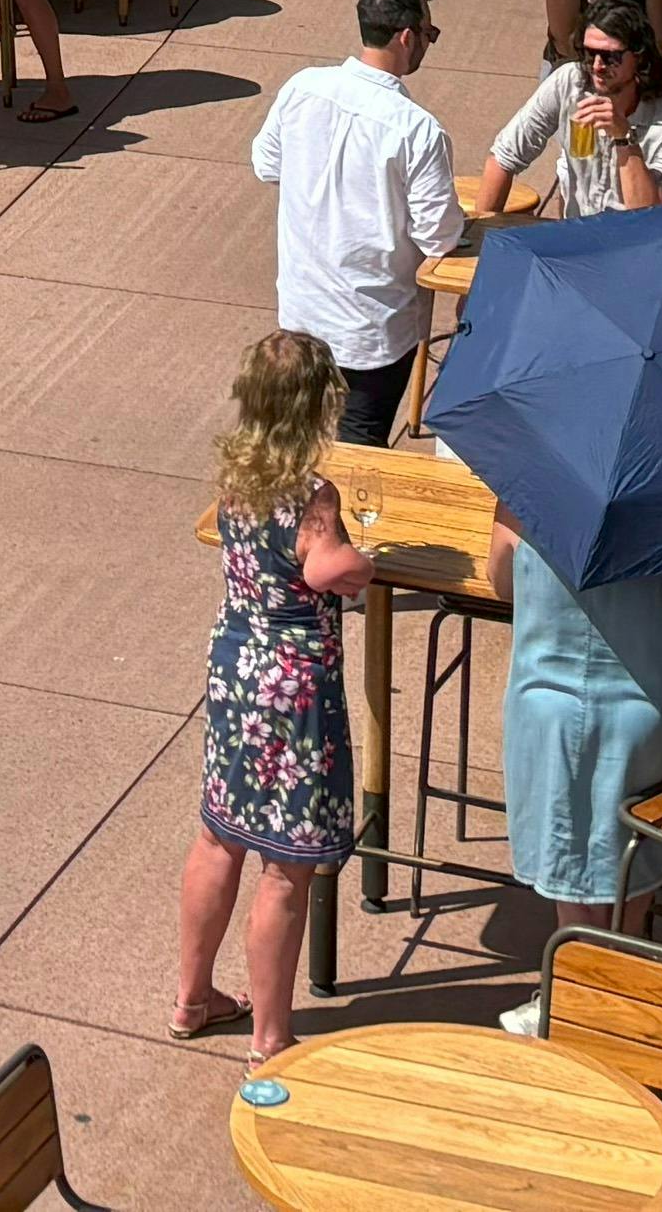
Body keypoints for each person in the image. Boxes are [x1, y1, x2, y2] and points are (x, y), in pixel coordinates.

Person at [172, 327, 369, 1060]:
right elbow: (328, 569)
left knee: (218, 835)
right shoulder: (312, 498)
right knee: (285, 867)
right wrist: (367, 560)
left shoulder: (237, 482)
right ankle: (270, 1034)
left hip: (235, 670)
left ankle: (194, 996)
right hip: (293, 691)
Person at [491, 479, 662, 983]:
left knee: (573, 899)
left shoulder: (526, 489)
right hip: (643, 710)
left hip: (550, 713)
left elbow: (502, 580)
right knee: (631, 879)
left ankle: (580, 1007)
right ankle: (614, 998)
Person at [250, 0, 462, 444]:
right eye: (430, 34)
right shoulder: (418, 130)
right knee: (361, 456)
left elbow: (266, 164)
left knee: (295, 447)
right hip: (374, 333)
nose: (428, 43)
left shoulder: (302, 87)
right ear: (407, 37)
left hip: (302, 317)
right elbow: (439, 237)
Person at [463, 9, 662, 223]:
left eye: (610, 56)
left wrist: (624, 139)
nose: (598, 66)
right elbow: (504, 157)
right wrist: (481, 239)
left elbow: (651, 220)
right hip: (578, 242)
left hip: (639, 251)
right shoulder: (569, 82)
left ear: (639, 57)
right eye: (590, 54)